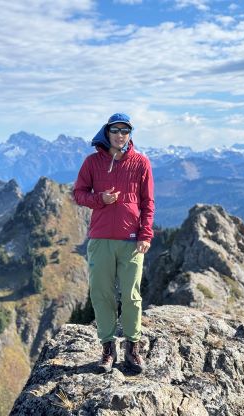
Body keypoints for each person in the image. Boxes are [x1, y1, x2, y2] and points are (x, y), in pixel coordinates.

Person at [73, 113, 154, 373]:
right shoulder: (92, 162)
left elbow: (148, 203)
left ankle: (132, 348)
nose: (120, 135)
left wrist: (145, 234)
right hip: (100, 239)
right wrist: (100, 199)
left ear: (130, 134)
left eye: (125, 131)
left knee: (131, 296)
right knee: (101, 294)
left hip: (131, 241)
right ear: (106, 132)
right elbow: (79, 194)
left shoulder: (141, 163)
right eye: (116, 130)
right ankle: (108, 349)